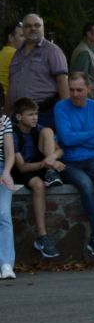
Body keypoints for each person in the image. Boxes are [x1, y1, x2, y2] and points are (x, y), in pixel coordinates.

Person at [54, 73, 94, 258]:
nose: (75, 94)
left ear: (88, 89)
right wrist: (92, 133)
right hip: (69, 162)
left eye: (79, 90)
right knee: (85, 184)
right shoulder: (61, 107)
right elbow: (66, 139)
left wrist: (77, 138)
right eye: (72, 90)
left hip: (91, 160)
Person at [10, 97, 64, 258]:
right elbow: (22, 167)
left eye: (36, 114)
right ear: (19, 117)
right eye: (30, 114)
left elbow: (60, 150)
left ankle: (50, 173)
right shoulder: (13, 134)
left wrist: (51, 159)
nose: (35, 118)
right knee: (39, 185)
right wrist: (50, 164)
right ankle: (42, 236)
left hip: (41, 164)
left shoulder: (37, 128)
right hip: (22, 170)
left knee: (48, 131)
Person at [7, 14, 69, 127]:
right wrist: (6, 115)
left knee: (43, 144)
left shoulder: (52, 51)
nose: (33, 28)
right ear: (23, 30)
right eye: (28, 26)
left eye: (37, 25)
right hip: (18, 115)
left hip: (43, 114)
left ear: (43, 28)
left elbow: (62, 81)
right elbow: (11, 85)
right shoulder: (17, 54)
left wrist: (67, 113)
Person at [70, 22, 94, 107]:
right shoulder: (84, 53)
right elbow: (79, 81)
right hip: (91, 106)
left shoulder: (90, 51)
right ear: (89, 34)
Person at [0, 109, 17, 279]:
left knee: (3, 213)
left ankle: (6, 264)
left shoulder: (4, 120)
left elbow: (10, 153)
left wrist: (6, 172)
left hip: (1, 169)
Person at [0, 21, 23, 98]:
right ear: (11, 38)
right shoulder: (14, 53)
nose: (26, 39)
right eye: (22, 36)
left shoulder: (3, 52)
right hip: (13, 102)